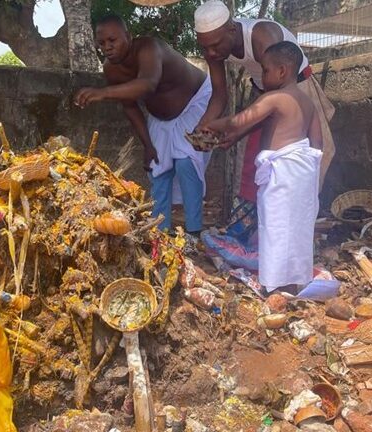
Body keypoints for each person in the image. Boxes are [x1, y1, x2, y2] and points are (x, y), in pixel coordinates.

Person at [74, 15, 212, 235]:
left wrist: (102, 93)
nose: (107, 47)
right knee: (158, 166)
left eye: (113, 40)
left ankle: (195, 231)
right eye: (102, 43)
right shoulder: (111, 69)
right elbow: (130, 107)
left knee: (186, 163)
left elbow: (147, 85)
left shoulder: (150, 48)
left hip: (194, 103)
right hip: (160, 118)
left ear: (128, 37)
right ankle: (159, 231)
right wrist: (147, 145)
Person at [204, 41, 322, 294]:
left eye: (265, 70)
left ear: (282, 71)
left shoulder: (275, 98)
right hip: (301, 173)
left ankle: (275, 283)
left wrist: (212, 124)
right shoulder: (308, 103)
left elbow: (241, 120)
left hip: (283, 175)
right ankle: (294, 280)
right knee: (297, 228)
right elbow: (317, 145)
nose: (262, 76)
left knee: (276, 226)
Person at [194, 0, 335, 201]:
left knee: (310, 153)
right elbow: (219, 95)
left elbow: (278, 88)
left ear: (232, 30)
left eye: (215, 46)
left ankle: (305, 206)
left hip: (295, 88)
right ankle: (258, 218)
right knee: (260, 158)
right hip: (265, 91)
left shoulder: (262, 36)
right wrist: (202, 128)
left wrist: (237, 130)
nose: (211, 53)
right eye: (205, 47)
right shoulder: (212, 44)